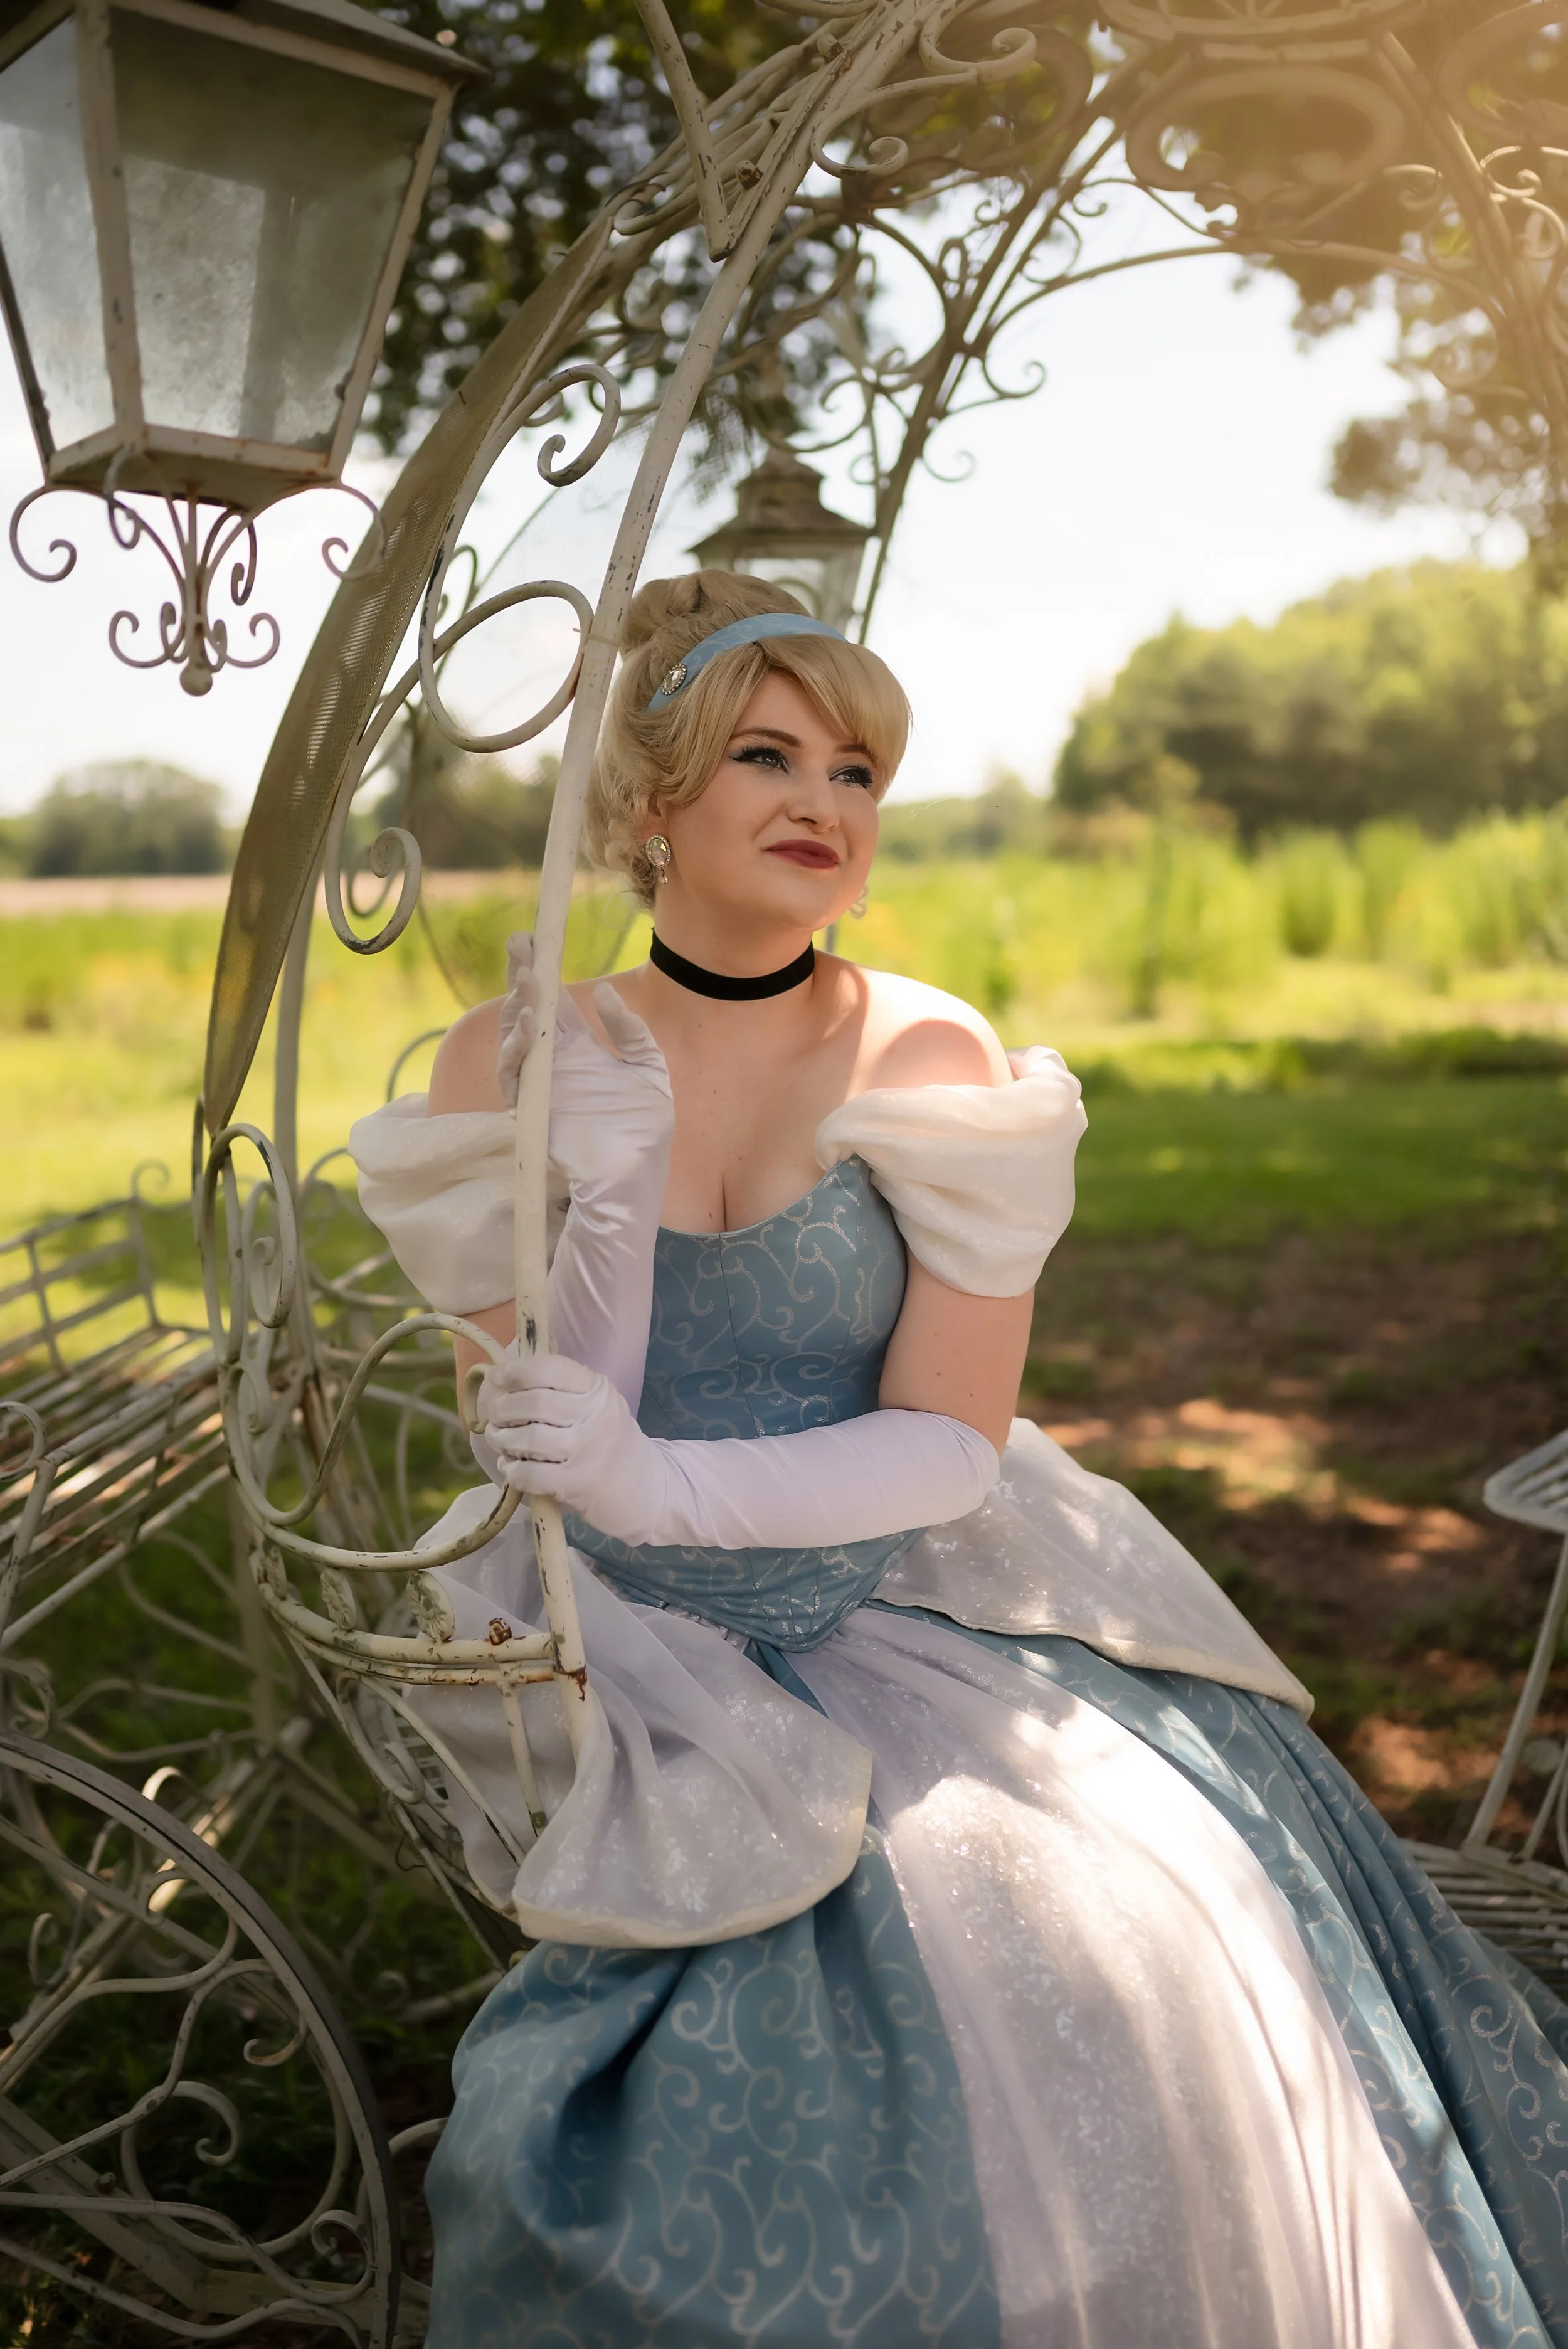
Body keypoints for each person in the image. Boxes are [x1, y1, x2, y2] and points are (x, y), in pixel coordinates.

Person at [349, 570, 1568, 2349]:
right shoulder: (509, 1062)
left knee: (1118, 1923)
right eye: (767, 757)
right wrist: (602, 1197)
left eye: (855, 773)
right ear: (647, 799)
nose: (822, 809)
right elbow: (537, 1423)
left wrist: (655, 1480)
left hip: (899, 1586)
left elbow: (945, 1444)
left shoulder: (926, 1051)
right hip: (621, 1622)